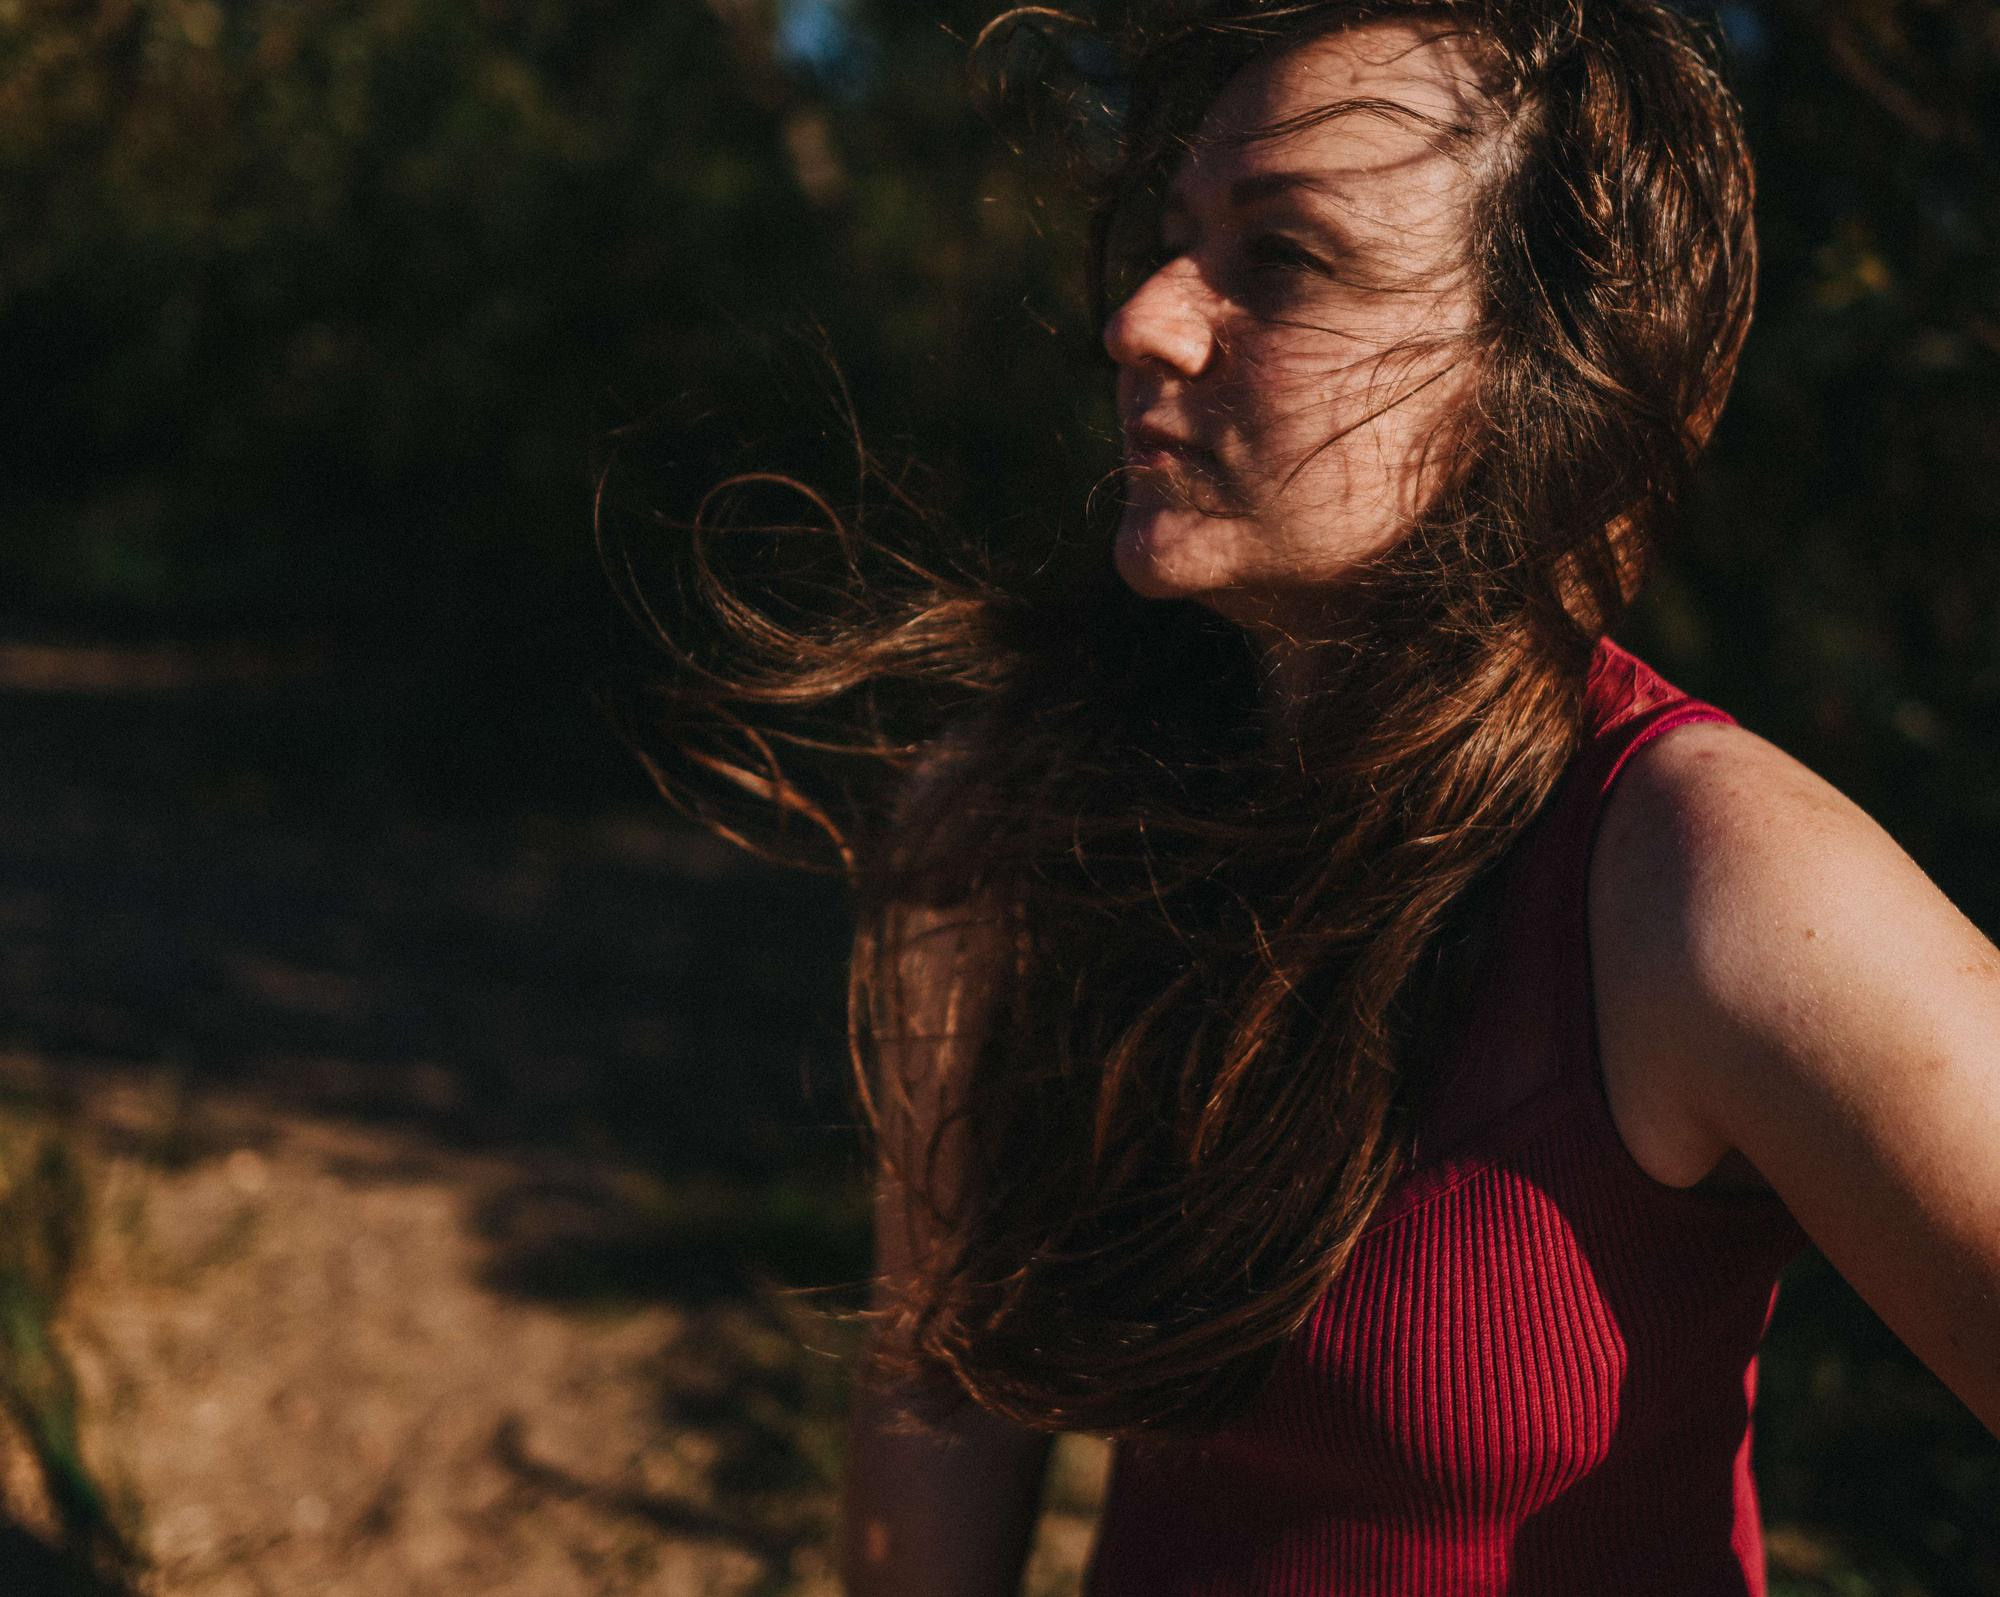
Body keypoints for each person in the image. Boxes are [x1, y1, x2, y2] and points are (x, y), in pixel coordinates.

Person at [623, 2, 2000, 1593]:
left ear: (1533, 366)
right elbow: (942, 1394)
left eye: (1283, 257)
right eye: (1175, 236)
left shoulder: (1701, 874)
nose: (1144, 316)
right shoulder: (1015, 821)